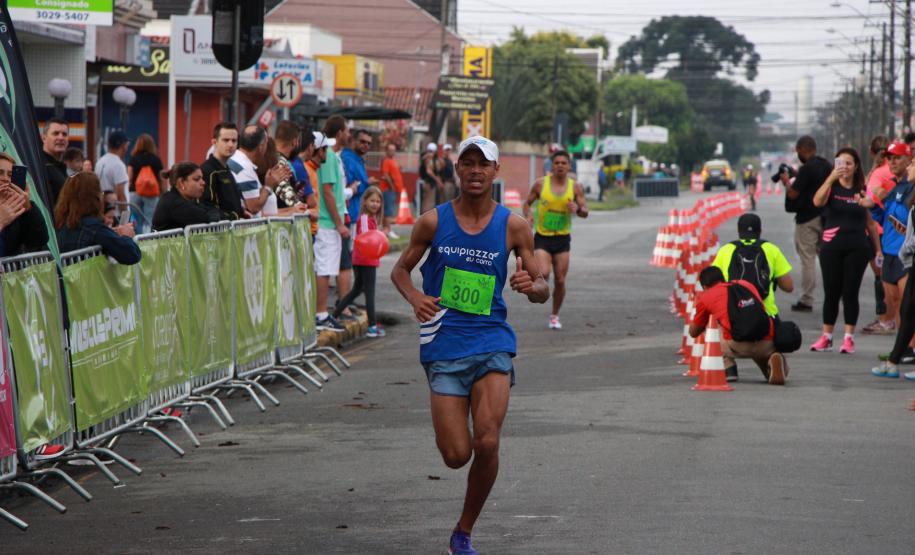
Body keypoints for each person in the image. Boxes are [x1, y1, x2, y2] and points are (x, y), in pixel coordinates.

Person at [390, 135, 549, 555]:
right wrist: (415, 297)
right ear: (457, 169)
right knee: (457, 455)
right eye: (468, 162)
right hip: (444, 344)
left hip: (492, 340)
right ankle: (456, 439)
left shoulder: (514, 226)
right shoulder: (432, 221)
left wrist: (532, 285)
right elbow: (400, 271)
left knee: (489, 441)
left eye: (484, 163)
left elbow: (542, 285)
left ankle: (463, 532)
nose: (476, 170)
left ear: (496, 171)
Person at [809, 148, 882, 354]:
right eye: (841, 163)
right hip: (831, 248)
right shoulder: (831, 188)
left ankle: (848, 338)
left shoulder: (862, 189)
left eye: (849, 163)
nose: (845, 167)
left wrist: (878, 251)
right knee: (831, 292)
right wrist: (830, 178)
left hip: (858, 248)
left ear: (856, 166)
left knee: (850, 292)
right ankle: (827, 336)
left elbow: (871, 224)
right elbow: (816, 202)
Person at [522, 149, 589, 330]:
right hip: (542, 236)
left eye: (563, 163)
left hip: (562, 239)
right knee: (544, 274)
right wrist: (528, 216)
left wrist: (577, 209)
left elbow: (585, 212)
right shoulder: (540, 185)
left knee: (560, 280)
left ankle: (554, 315)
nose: (560, 166)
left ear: (569, 166)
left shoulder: (575, 187)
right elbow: (527, 203)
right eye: (557, 163)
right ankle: (538, 290)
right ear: (552, 165)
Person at [689, 266, 788, 385]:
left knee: (710, 328)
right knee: (754, 334)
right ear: (723, 278)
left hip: (737, 344)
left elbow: (694, 332)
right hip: (767, 341)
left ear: (704, 287)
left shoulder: (707, 297)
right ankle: (772, 360)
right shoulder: (746, 285)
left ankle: (728, 367)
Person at [861, 142, 913, 335]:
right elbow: (885, 218)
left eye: (898, 157)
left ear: (909, 160)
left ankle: (910, 348)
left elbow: (905, 215)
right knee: (896, 303)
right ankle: (902, 347)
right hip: (889, 252)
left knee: (908, 305)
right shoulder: (893, 186)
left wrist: (880, 199)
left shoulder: (910, 186)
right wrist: (872, 206)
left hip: (905, 253)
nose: (892, 162)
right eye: (889, 158)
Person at [711, 213, 794, 320]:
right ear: (760, 231)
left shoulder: (726, 250)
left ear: (738, 230)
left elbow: (713, 284)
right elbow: (788, 287)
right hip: (765, 315)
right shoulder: (772, 249)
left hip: (734, 315)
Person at [784, 135, 832, 312]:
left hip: (807, 218)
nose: (798, 156)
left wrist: (787, 183)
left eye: (798, 152)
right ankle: (835, 292)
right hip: (825, 217)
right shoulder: (825, 165)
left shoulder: (807, 169)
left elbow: (793, 194)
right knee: (826, 257)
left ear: (803, 150)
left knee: (807, 259)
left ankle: (807, 299)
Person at [333, 186, 386, 338]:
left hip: (366, 259)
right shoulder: (364, 219)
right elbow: (366, 240)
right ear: (365, 201)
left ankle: (335, 314)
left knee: (357, 289)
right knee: (370, 293)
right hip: (365, 260)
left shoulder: (371, 219)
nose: (375, 204)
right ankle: (372, 326)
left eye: (378, 201)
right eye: (372, 200)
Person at [54, 172, 140, 264]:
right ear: (93, 197)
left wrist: (110, 232)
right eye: (100, 192)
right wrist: (126, 236)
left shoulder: (61, 223)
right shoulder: (94, 228)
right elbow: (132, 255)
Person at [314, 116, 348, 332]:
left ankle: (322, 313)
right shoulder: (328, 158)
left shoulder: (333, 157)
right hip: (327, 223)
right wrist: (339, 223)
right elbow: (327, 191)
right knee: (324, 270)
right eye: (347, 130)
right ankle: (321, 313)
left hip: (331, 222)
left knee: (327, 269)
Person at [862, 135, 894, 333]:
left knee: (881, 278)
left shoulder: (877, 174)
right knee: (890, 277)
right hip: (893, 230)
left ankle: (885, 319)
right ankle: (889, 319)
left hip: (878, 230)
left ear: (871, 152)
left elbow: (871, 202)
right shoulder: (893, 170)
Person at [230, 125, 291, 218]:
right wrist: (268, 187)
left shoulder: (238, 160)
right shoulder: (244, 168)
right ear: (261, 147)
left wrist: (270, 183)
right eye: (266, 142)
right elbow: (253, 207)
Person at [0, 152, 49, 256]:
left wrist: (28, 209)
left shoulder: (15, 208)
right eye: (0, 173)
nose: (5, 178)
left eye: (10, 175)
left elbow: (38, 240)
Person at [152, 162, 222, 231]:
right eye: (197, 179)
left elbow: (208, 211)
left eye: (202, 178)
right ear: (181, 182)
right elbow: (206, 217)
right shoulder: (173, 203)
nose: (203, 183)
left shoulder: (186, 200)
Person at [201, 121, 248, 220]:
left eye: (234, 141)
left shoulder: (226, 169)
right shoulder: (208, 170)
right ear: (214, 142)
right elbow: (207, 206)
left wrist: (241, 212)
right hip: (219, 232)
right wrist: (233, 216)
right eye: (226, 140)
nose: (231, 145)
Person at [276, 121, 318, 218]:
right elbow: (292, 202)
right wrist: (306, 210)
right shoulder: (280, 163)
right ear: (295, 141)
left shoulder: (277, 160)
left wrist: (296, 191)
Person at [127, 133, 165, 234]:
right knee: (149, 219)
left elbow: (129, 177)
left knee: (135, 219)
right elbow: (161, 178)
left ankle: (137, 238)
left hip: (134, 192)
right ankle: (147, 240)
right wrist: (163, 192)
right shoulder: (156, 159)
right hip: (151, 193)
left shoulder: (133, 159)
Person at [95, 131, 130, 208]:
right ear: (123, 145)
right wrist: (126, 218)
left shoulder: (99, 162)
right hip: (116, 215)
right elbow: (121, 196)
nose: (127, 148)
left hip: (104, 212)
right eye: (127, 145)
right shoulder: (118, 165)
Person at [41, 117, 70, 209]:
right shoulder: (39, 166)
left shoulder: (60, 167)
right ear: (44, 138)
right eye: (56, 133)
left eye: (64, 134)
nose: (61, 137)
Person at [380, 143, 405, 238]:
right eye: (390, 150)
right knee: (388, 211)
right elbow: (385, 175)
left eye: (393, 150)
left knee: (389, 210)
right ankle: (388, 230)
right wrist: (391, 186)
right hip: (388, 189)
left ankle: (386, 230)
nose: (392, 152)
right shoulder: (386, 160)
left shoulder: (393, 160)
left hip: (393, 189)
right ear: (386, 151)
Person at [420, 142, 443, 214]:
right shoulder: (427, 159)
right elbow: (429, 171)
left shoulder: (434, 159)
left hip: (431, 183)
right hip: (429, 183)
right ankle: (425, 220)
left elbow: (439, 168)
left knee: (431, 202)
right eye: (430, 151)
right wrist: (438, 181)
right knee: (428, 203)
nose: (431, 153)